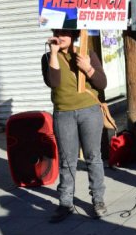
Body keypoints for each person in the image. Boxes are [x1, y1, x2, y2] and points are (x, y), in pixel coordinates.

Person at [41, 29, 108, 223]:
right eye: (56, 32)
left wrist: (88, 68)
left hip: (89, 111)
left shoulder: (86, 53)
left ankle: (98, 200)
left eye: (64, 33)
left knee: (93, 157)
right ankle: (65, 202)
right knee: (67, 159)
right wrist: (53, 53)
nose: (59, 36)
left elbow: (102, 83)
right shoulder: (47, 56)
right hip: (63, 113)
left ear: (73, 35)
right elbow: (53, 82)